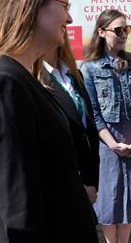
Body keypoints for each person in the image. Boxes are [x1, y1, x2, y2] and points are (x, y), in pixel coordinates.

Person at [0, 0, 98, 243]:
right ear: (31, 5)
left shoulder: (17, 78)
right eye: (65, 5)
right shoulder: (2, 84)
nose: (70, 18)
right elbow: (18, 209)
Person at [80, 9, 131, 243]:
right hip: (107, 144)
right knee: (109, 199)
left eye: (126, 29)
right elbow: (94, 114)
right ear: (101, 31)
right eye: (118, 30)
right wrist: (113, 144)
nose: (124, 34)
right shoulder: (89, 68)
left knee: (130, 196)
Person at [39, 36, 100, 204]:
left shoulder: (74, 73)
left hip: (88, 172)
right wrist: (76, 186)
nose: (67, 20)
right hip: (64, 181)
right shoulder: (34, 78)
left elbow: (87, 124)